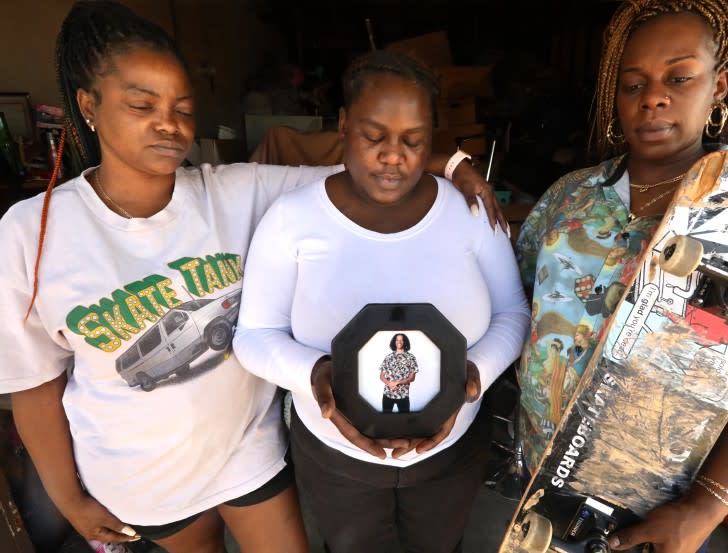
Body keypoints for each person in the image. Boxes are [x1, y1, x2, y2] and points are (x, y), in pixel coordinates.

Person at [0, 2, 505, 551]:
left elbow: (370, 159)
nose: (169, 124)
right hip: (139, 474)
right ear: (88, 105)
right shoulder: (32, 231)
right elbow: (32, 382)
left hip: (249, 454)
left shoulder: (235, 191)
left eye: (183, 107)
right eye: (142, 104)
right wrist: (68, 497)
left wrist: (452, 163)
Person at [514, 2, 728, 553]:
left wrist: (703, 511)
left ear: (720, 86)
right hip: (536, 486)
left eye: (679, 77)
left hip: (656, 510)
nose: (653, 97)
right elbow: (519, 311)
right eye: (633, 83)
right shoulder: (568, 200)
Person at [232, 49, 530, 553]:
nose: (394, 156)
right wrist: (316, 375)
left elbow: (513, 313)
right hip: (336, 457)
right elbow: (254, 337)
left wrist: (472, 375)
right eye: (375, 137)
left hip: (450, 450)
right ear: (344, 125)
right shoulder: (293, 219)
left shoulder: (468, 212)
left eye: (414, 140)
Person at [379, 333, 419, 413]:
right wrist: (389, 383)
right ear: (394, 342)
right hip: (388, 394)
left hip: (403, 395)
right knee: (385, 421)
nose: (399, 342)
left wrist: (398, 382)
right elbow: (381, 376)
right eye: (397, 340)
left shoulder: (411, 357)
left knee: (405, 421)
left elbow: (412, 378)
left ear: (405, 342)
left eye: (401, 340)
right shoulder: (388, 357)